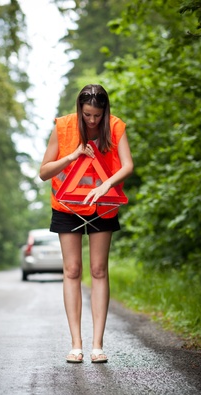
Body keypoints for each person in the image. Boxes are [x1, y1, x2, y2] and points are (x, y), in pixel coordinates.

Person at [39, 84, 134, 363]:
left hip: (102, 205)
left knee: (98, 270)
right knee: (71, 270)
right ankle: (76, 345)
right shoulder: (64, 126)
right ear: (79, 109)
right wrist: (72, 156)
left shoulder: (115, 127)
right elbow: (44, 172)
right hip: (67, 205)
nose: (92, 121)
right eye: (87, 115)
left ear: (105, 112)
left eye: (97, 115)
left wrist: (105, 185)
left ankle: (97, 346)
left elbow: (127, 165)